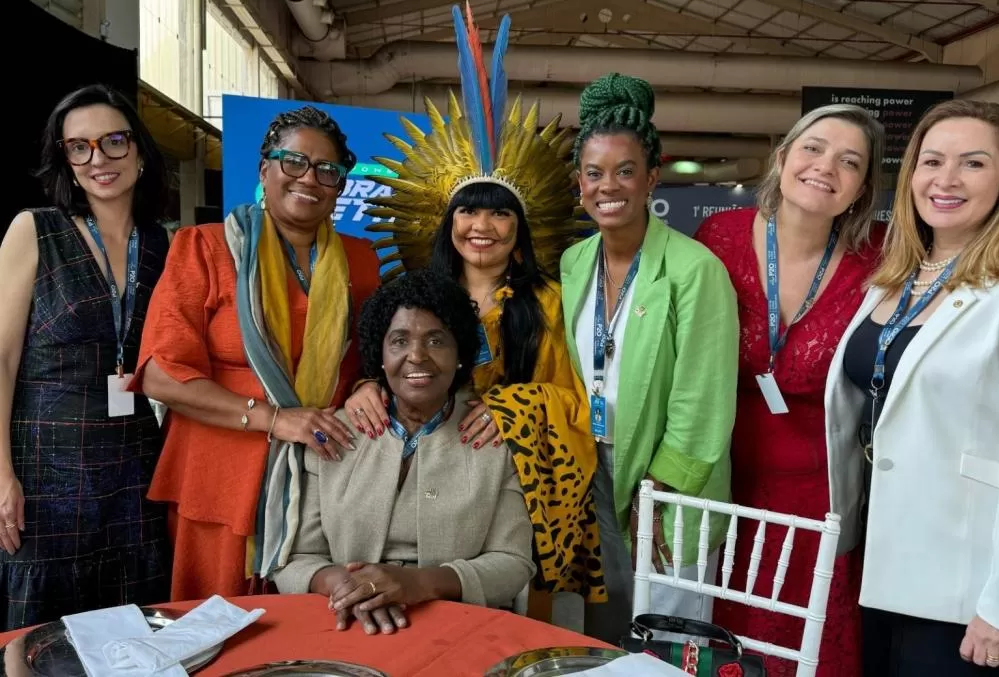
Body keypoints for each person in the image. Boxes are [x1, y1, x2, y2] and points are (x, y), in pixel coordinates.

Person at [345, 6, 604, 611]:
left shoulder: (549, 301)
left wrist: (514, 406)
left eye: (499, 213)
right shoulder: (413, 297)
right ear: (447, 220)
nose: (481, 226)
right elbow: (384, 365)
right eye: (468, 210)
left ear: (522, 226)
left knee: (502, 615)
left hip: (517, 478)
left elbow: (575, 399)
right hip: (424, 468)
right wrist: (363, 387)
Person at [131, 105, 381, 600]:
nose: (309, 178)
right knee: (217, 631)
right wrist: (273, 418)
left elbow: (372, 360)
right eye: (294, 162)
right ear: (264, 169)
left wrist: (370, 383)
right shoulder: (203, 248)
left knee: (313, 634)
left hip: (323, 476)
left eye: (327, 170)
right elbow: (160, 374)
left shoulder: (361, 260)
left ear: (338, 187)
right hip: (220, 479)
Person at [693, 103, 885, 677]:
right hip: (725, 482)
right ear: (781, 159)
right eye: (814, 148)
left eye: (849, 162)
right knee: (725, 644)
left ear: (860, 189)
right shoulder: (717, 236)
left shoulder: (879, 259)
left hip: (820, 495)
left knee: (809, 650)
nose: (826, 166)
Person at [560, 72, 740, 643]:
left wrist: (660, 490)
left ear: (651, 177)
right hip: (592, 470)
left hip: (665, 481)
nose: (607, 186)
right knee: (604, 628)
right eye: (594, 173)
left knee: (666, 629)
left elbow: (702, 398)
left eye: (624, 171)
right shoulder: (573, 263)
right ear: (578, 183)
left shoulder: (695, 269)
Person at [826, 99, 999, 676]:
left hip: (962, 584)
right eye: (932, 161)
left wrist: (997, 606)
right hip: (880, 560)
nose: (945, 179)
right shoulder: (891, 279)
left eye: (973, 163)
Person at [272, 269, 535, 635]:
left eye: (436, 341)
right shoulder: (334, 433)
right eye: (399, 341)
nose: (416, 356)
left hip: (458, 626)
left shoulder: (492, 434)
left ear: (460, 353)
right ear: (379, 354)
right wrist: (345, 587)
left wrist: (419, 584)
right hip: (345, 622)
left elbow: (512, 562)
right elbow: (295, 559)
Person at [0, 84, 172, 630]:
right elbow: (1, 359)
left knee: (131, 631)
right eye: (79, 147)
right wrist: (0, 473)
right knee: (40, 637)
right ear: (67, 161)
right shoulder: (36, 230)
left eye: (113, 141)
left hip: (134, 468)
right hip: (45, 469)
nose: (98, 159)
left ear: (139, 151)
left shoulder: (164, 245)